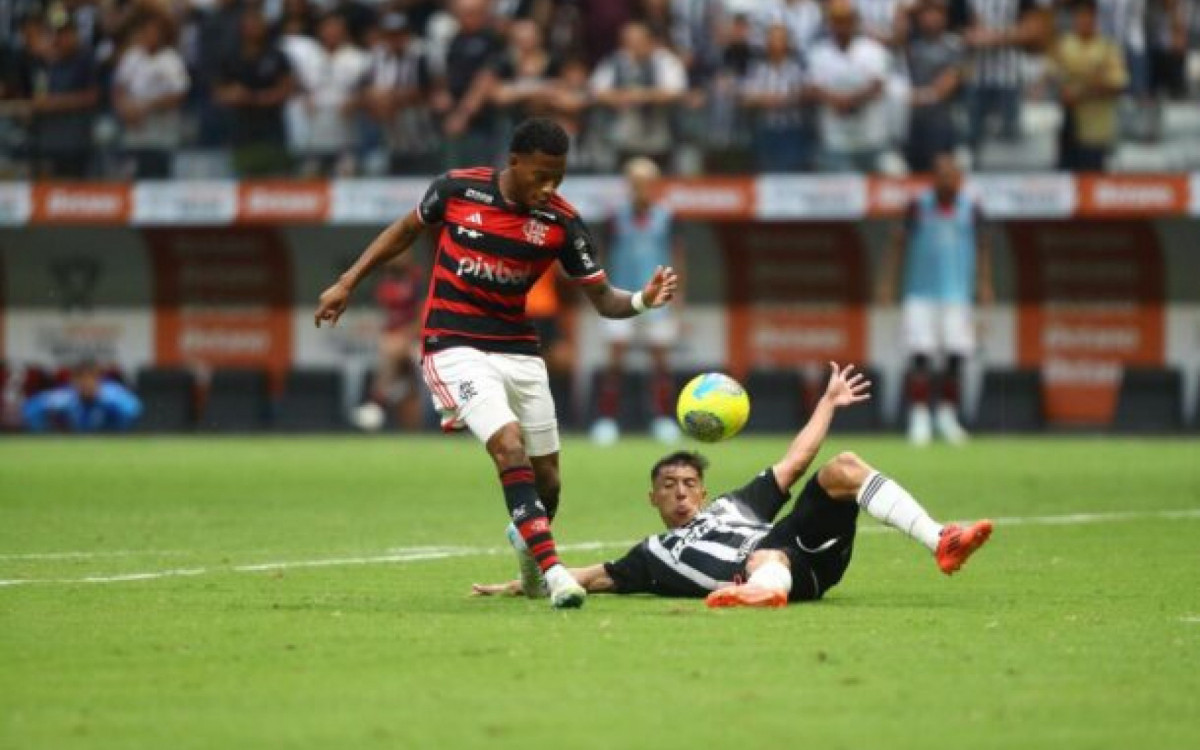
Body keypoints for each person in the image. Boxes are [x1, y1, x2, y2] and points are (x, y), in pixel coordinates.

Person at [314, 118, 679, 609]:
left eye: (558, 177)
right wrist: (347, 282)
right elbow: (404, 231)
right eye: (540, 175)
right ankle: (555, 573)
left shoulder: (561, 223)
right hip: (453, 344)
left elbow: (603, 299)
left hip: (518, 349)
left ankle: (528, 562)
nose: (549, 186)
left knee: (548, 483)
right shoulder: (457, 189)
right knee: (508, 445)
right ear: (514, 162)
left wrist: (642, 300)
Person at [472, 362, 993, 607]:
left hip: (807, 547)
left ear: (704, 492)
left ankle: (940, 540)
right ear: (652, 498)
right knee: (767, 557)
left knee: (844, 467)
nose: (680, 492)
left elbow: (796, 460)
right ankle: (760, 593)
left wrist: (828, 403)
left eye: (689, 483)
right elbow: (587, 577)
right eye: (669, 485)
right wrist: (524, 582)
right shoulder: (650, 555)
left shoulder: (735, 505)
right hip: (774, 568)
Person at [877, 152, 994, 445]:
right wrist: (888, 283)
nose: (947, 181)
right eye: (941, 176)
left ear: (959, 179)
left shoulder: (971, 208)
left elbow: (983, 244)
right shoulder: (918, 206)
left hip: (957, 295)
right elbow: (897, 242)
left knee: (956, 356)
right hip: (920, 294)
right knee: (920, 356)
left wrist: (984, 282)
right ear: (934, 178)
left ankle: (946, 416)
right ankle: (919, 417)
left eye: (951, 176)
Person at [590, 156, 683, 445]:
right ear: (629, 184)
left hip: (659, 298)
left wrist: (678, 296)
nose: (641, 188)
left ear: (655, 185)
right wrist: (600, 294)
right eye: (636, 182)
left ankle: (663, 420)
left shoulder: (668, 217)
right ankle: (607, 420)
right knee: (615, 359)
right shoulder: (614, 217)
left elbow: (678, 256)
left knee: (660, 360)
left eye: (647, 182)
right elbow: (601, 257)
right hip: (621, 296)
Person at [806, 0, 891, 173]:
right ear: (830, 24)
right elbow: (812, 89)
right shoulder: (819, 53)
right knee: (839, 187)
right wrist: (837, 101)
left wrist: (849, 101)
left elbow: (878, 86)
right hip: (835, 138)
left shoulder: (873, 50)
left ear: (855, 22)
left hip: (870, 136)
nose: (842, 26)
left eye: (846, 21)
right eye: (837, 21)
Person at [215, 9, 297, 177]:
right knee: (244, 174)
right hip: (241, 126)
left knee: (276, 175)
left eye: (257, 24)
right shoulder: (230, 56)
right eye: (249, 24)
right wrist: (233, 94)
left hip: (272, 126)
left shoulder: (277, 56)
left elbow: (288, 88)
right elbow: (218, 91)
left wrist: (260, 98)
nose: (253, 28)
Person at [1052, 0, 1129, 171]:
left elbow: (1118, 84)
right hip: (1068, 129)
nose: (1084, 21)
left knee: (1092, 177)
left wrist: (1082, 92)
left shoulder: (1107, 47)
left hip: (1096, 131)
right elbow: (1051, 77)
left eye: (1089, 17)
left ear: (1096, 19)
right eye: (1080, 16)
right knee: (1065, 179)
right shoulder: (1065, 45)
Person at [112, 13, 190, 179]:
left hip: (162, 135)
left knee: (159, 181)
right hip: (135, 133)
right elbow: (118, 88)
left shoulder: (171, 59)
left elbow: (179, 94)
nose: (150, 35)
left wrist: (146, 107)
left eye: (154, 31)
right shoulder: (132, 57)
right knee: (133, 180)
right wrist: (125, 109)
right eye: (146, 31)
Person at [353, 256, 425, 431]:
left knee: (395, 355)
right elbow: (387, 317)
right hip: (394, 340)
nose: (397, 259)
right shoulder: (384, 282)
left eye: (402, 254)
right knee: (405, 387)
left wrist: (405, 337)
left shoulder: (416, 280)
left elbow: (423, 316)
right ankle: (382, 406)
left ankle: (376, 401)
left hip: (419, 340)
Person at [905, 0, 966, 172]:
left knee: (942, 168)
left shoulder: (955, 46)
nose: (930, 18)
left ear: (945, 17)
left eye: (935, 12)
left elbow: (946, 86)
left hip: (942, 122)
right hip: (914, 123)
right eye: (925, 13)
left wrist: (915, 96)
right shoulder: (911, 46)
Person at [23, 362, 142, 433]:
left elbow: (134, 409)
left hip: (110, 439)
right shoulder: (66, 396)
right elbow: (31, 409)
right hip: (73, 441)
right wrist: (45, 431)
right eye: (82, 379)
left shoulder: (111, 393)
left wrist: (105, 402)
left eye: (91, 378)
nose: (86, 383)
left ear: (98, 379)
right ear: (74, 381)